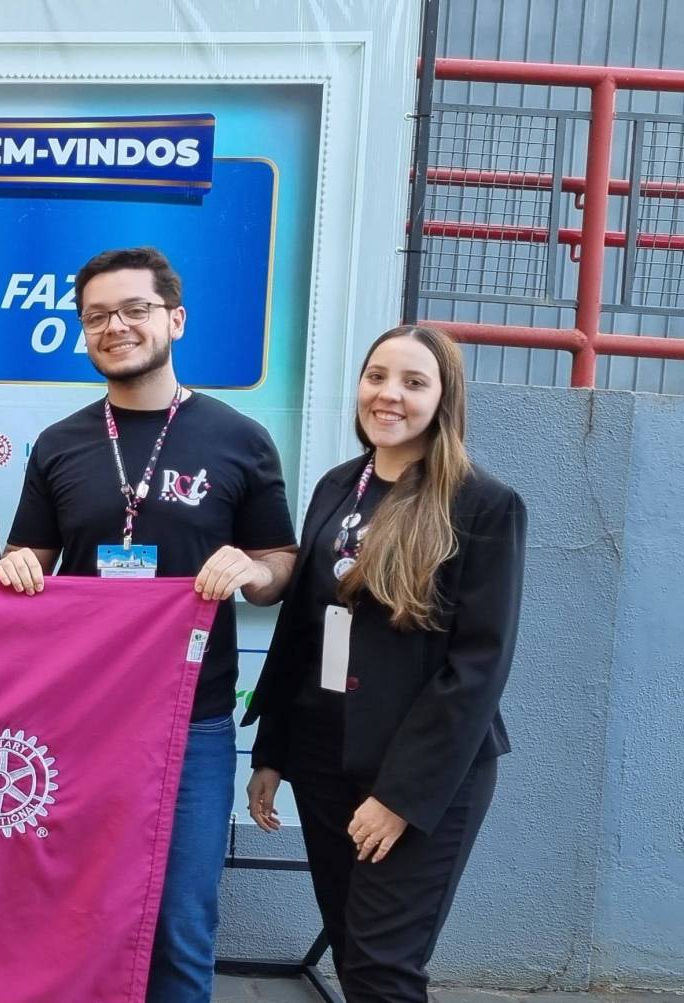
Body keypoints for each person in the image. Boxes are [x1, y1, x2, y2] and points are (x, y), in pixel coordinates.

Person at [0, 246, 298, 1003]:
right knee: (72, 914)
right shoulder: (61, 443)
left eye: (134, 309)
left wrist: (254, 573)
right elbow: (29, 551)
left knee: (179, 928)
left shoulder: (240, 437)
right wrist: (18, 567)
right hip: (78, 722)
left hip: (190, 726)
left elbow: (281, 563)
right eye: (96, 315)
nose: (115, 326)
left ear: (175, 319)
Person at [243, 326, 525, 1001]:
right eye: (376, 376)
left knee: (383, 965)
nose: (388, 394)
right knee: (352, 951)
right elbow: (306, 631)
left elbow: (478, 667)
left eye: (412, 381)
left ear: (444, 397)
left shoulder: (483, 505)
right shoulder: (339, 485)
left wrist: (399, 797)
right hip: (321, 757)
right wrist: (272, 751)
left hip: (420, 773)